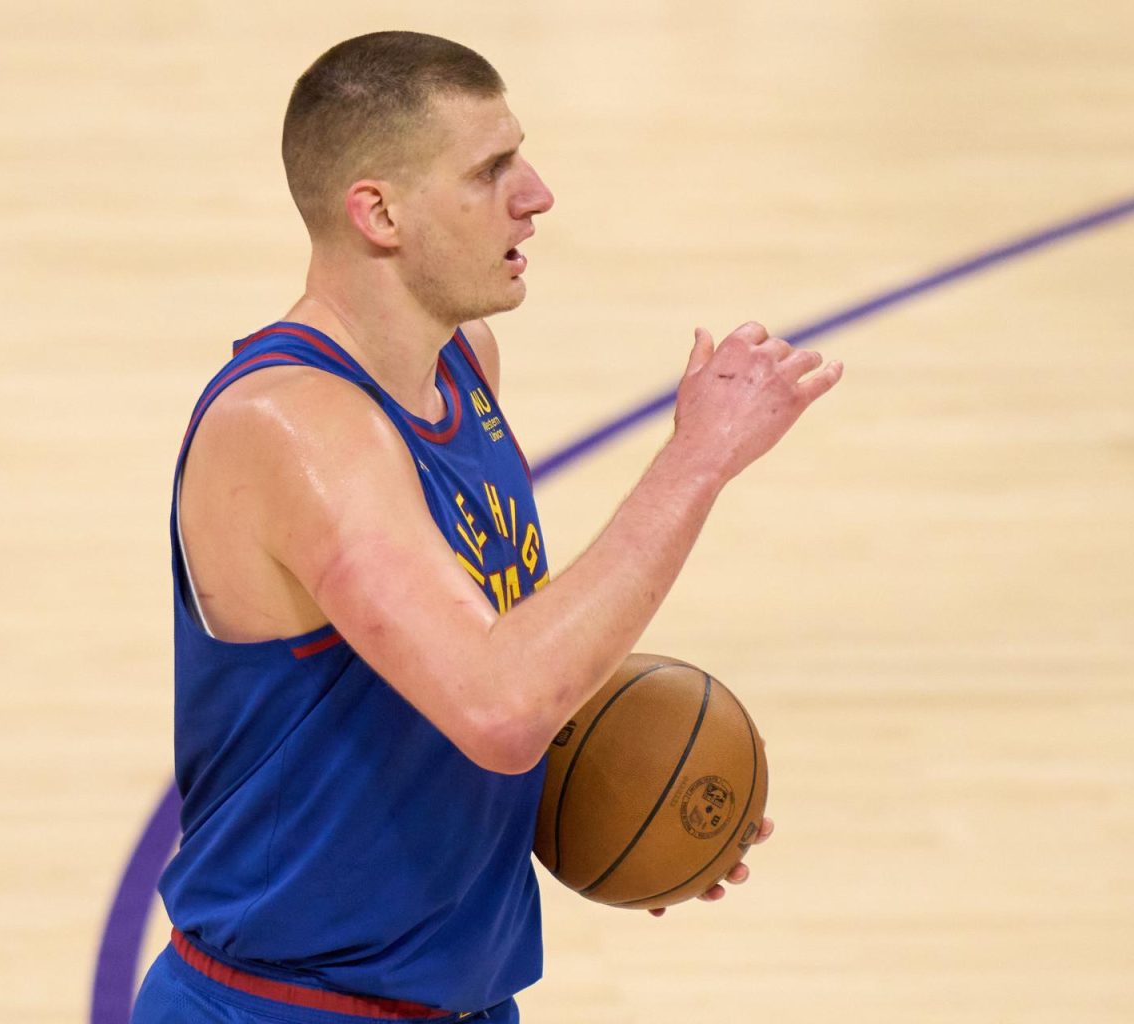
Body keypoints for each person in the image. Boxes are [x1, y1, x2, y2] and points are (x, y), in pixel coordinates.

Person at [131, 30, 842, 1024]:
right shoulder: (289, 427)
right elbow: (500, 705)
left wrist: (643, 788)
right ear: (378, 212)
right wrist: (698, 457)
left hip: (462, 1003)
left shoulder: (466, 365)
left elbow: (466, 665)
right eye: (491, 171)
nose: (538, 193)